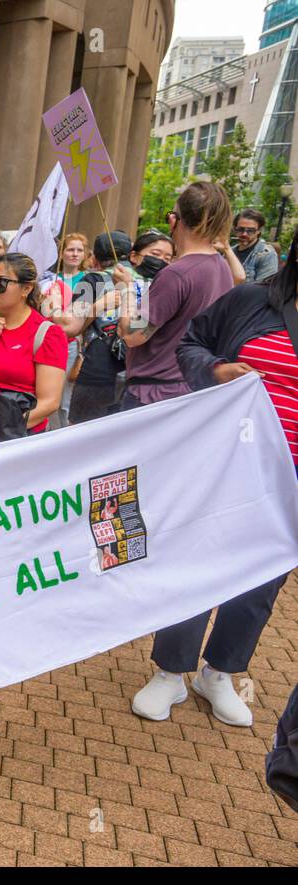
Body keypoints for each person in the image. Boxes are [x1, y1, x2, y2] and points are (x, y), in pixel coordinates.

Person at [130, 242, 298, 726]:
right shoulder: (253, 301)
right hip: (228, 463)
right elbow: (191, 344)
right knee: (197, 558)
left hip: (289, 483)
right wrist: (216, 370)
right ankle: (170, 671)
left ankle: (219, 672)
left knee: (262, 577)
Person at [117, 181, 234, 409]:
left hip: (155, 396)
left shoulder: (177, 274)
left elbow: (133, 334)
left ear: (175, 220)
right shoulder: (222, 267)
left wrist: (126, 289)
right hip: (194, 390)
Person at [0, 253, 67, 433]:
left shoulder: (47, 334)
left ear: (26, 289)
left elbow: (49, 402)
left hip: (16, 436)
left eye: (0, 283)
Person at [61, 232, 133, 424]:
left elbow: (71, 326)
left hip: (98, 368)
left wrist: (97, 306)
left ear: (95, 258)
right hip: (137, 369)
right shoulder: (148, 279)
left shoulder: (93, 280)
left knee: (82, 430)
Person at [231, 208, 279, 284]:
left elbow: (263, 288)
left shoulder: (266, 254)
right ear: (235, 229)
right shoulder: (229, 252)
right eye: (240, 229)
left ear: (259, 230)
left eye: (250, 230)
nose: (244, 234)